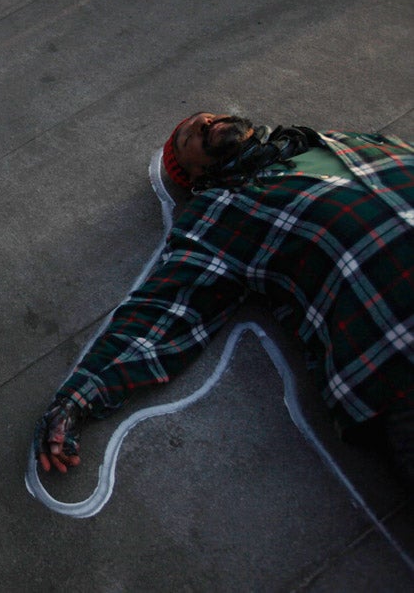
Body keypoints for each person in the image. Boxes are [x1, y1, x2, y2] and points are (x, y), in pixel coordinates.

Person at [34, 112, 414, 484]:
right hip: (397, 356)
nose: (205, 122)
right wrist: (76, 401)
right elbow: (162, 313)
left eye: (209, 117)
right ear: (196, 177)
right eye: (190, 138)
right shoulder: (226, 208)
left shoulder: (336, 142)